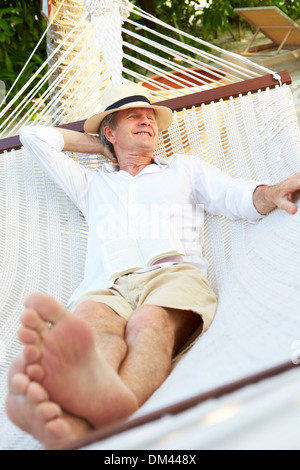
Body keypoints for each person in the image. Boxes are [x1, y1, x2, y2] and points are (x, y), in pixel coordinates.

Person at [6, 83, 300, 449]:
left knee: (148, 322)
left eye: (151, 117)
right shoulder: (90, 183)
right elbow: (35, 137)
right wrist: (103, 145)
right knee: (97, 332)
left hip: (172, 275)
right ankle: (82, 415)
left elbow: (236, 197)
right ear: (110, 131)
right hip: (107, 284)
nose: (147, 121)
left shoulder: (183, 169)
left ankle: (101, 422)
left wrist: (271, 192)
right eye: (134, 116)